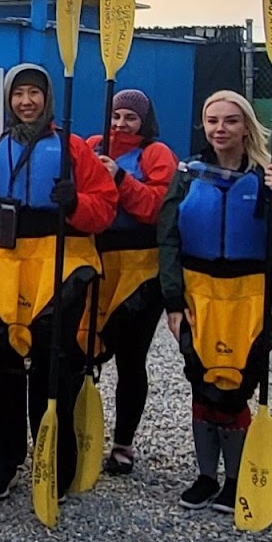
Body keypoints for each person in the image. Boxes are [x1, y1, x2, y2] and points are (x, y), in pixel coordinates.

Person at [0, 64, 117, 501]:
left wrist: (75, 204)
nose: (26, 101)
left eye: (34, 93)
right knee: (3, 367)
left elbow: (104, 208)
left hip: (58, 261)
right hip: (4, 264)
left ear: (47, 100)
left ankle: (55, 463)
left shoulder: (73, 150)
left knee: (55, 366)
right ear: (9, 101)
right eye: (18, 94)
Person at [159, 90, 272, 513]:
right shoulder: (188, 174)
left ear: (246, 127)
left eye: (230, 121)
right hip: (200, 292)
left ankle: (237, 478)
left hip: (254, 293)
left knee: (237, 384)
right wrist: (172, 299)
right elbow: (167, 238)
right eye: (212, 121)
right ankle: (206, 476)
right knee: (203, 382)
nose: (220, 129)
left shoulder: (269, 176)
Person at [84, 89, 178, 476]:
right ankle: (79, 432)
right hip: (96, 260)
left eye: (130, 118)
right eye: (116, 116)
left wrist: (120, 177)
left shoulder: (156, 155)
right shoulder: (91, 146)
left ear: (144, 122)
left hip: (141, 268)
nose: (121, 124)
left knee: (131, 357)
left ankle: (123, 443)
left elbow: (157, 209)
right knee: (83, 348)